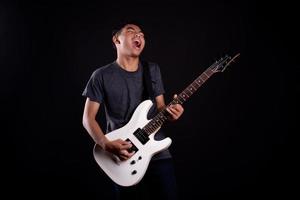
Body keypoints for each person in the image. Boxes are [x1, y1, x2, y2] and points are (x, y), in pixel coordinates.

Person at [82, 20, 184, 200]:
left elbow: (160, 108)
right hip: (123, 156)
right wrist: (106, 144)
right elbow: (88, 119)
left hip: (157, 154)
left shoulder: (152, 70)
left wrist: (172, 112)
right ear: (116, 40)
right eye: (131, 31)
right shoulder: (101, 76)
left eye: (142, 34)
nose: (139, 35)